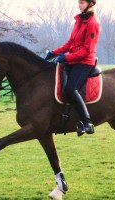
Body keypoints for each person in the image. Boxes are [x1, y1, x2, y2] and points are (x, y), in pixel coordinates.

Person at [45, 0, 100, 136]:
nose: (79, 5)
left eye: (82, 3)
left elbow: (87, 50)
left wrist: (66, 57)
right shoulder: (78, 21)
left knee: (71, 89)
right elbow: (70, 43)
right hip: (74, 59)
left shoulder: (92, 24)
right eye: (79, 2)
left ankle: (87, 122)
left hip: (85, 62)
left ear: (90, 4)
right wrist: (54, 52)